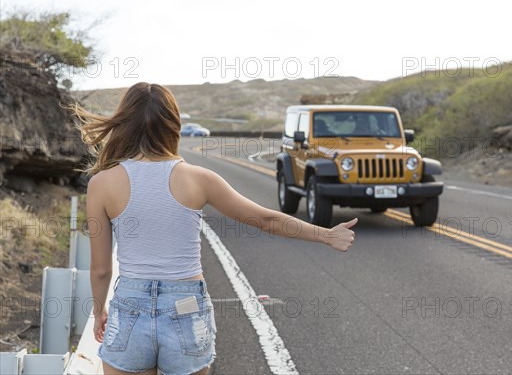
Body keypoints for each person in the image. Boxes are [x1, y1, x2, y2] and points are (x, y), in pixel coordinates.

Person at [68, 82, 357, 375]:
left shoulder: (101, 184)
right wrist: (326, 235)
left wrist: (99, 310)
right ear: (173, 124)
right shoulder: (199, 179)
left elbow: (101, 269)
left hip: (130, 306)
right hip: (186, 306)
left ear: (124, 124)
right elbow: (266, 219)